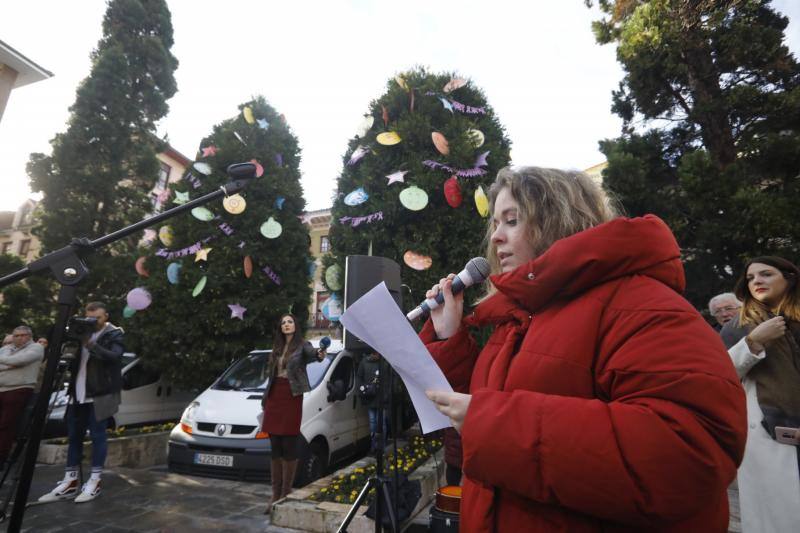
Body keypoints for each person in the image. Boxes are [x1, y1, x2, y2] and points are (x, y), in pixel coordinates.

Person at [422, 166, 748, 532]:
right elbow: (484, 405)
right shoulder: (518, 318)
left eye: (512, 221)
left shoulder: (641, 303)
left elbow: (689, 452)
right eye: (495, 223)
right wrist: (450, 338)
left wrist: (494, 424)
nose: (496, 237)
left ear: (560, 218)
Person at [720, 256, 800, 532]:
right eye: (752, 277)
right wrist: (753, 342)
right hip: (770, 431)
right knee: (779, 518)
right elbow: (718, 376)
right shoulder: (737, 327)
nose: (757, 281)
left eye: (766, 274)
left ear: (789, 278)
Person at [38, 302, 125, 503]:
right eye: (90, 318)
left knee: (98, 435)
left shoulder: (114, 334)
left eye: (98, 318)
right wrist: (67, 324)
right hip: (77, 392)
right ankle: (70, 481)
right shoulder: (80, 332)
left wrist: (90, 343)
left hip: (102, 393)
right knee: (74, 436)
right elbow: (56, 341)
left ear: (106, 317)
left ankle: (95, 481)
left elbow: (115, 356)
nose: (94, 322)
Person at [260, 314, 326, 515]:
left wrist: (320, 353)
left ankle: (285, 493)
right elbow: (271, 375)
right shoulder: (276, 347)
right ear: (280, 327)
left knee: (289, 444)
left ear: (295, 326)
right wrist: (265, 399)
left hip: (291, 396)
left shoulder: (302, 345)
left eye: (290, 322)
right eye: (283, 323)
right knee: (275, 445)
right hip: (274, 396)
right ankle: (275, 495)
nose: (286, 325)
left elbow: (314, 354)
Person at [0, 326, 44, 465]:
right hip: (2, 388)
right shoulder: (6, 349)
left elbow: (20, 361)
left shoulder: (36, 347)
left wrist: (8, 362)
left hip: (19, 389)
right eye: (16, 335)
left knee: (6, 425)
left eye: (22, 335)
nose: (19, 338)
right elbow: (14, 362)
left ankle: (1, 457)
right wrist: (10, 363)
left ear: (29, 336)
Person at [357, 351, 387, 453]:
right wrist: (362, 389)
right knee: (374, 423)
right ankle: (375, 446)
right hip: (370, 396)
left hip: (380, 398)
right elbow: (359, 377)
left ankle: (380, 447)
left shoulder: (382, 362)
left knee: (379, 423)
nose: (377, 355)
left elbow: (388, 380)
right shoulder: (365, 362)